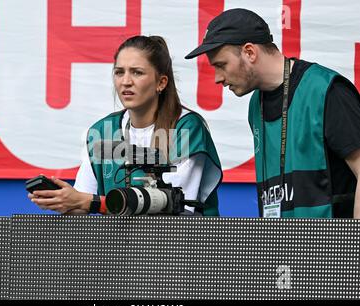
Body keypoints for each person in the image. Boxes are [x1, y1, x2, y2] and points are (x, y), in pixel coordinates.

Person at [185, 8, 360, 219]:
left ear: (249, 52)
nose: (217, 78)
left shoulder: (325, 90)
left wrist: (352, 245)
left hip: (333, 247)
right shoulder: (255, 105)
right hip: (280, 246)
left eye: (221, 65)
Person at [29, 35, 223, 216]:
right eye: (119, 72)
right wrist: (65, 201)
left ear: (161, 82)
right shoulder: (101, 131)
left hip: (182, 245)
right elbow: (83, 202)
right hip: (121, 247)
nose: (126, 82)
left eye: (137, 73)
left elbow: (170, 206)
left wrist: (91, 202)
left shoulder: (187, 127)